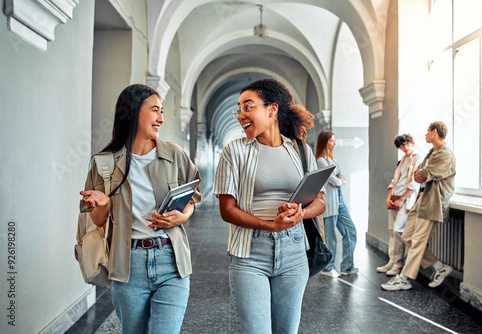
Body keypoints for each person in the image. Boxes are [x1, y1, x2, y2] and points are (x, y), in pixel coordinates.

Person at [80, 84, 201, 333]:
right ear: (132, 113)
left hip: (171, 262)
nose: (161, 118)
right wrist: (104, 204)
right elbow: (96, 220)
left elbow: (193, 195)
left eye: (162, 111)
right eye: (155, 110)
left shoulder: (174, 155)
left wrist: (182, 216)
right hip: (127, 265)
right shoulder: (104, 163)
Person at [213, 78, 326, 333]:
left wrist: (301, 213)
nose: (241, 115)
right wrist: (270, 225)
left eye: (248, 107)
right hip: (250, 253)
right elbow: (227, 210)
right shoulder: (234, 151)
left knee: (287, 330)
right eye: (238, 109)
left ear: (272, 109)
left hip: (295, 251)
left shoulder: (301, 150)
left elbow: (320, 201)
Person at [382, 121, 456, 291]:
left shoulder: (445, 154)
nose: (425, 134)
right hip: (421, 200)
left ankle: (404, 278)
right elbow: (419, 174)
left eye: (427, 131)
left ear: (435, 132)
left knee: (418, 241)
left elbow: (421, 175)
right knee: (407, 237)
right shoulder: (432, 152)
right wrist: (420, 173)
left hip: (433, 202)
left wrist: (421, 173)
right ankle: (439, 267)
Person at [377, 134, 424, 276]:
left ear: (412, 142)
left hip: (406, 200)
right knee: (392, 231)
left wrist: (401, 199)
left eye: (407, 143)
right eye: (402, 145)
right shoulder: (403, 159)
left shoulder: (418, 157)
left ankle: (398, 264)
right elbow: (394, 180)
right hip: (395, 197)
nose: (405, 147)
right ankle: (392, 261)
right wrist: (389, 197)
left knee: (398, 230)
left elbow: (415, 184)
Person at [315, 130, 358, 277]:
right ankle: (327, 268)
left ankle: (347, 266)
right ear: (325, 142)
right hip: (330, 203)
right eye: (332, 141)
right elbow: (334, 180)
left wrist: (339, 180)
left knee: (350, 231)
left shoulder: (332, 160)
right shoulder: (321, 161)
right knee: (330, 237)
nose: (334, 143)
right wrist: (340, 180)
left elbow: (337, 180)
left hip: (340, 201)